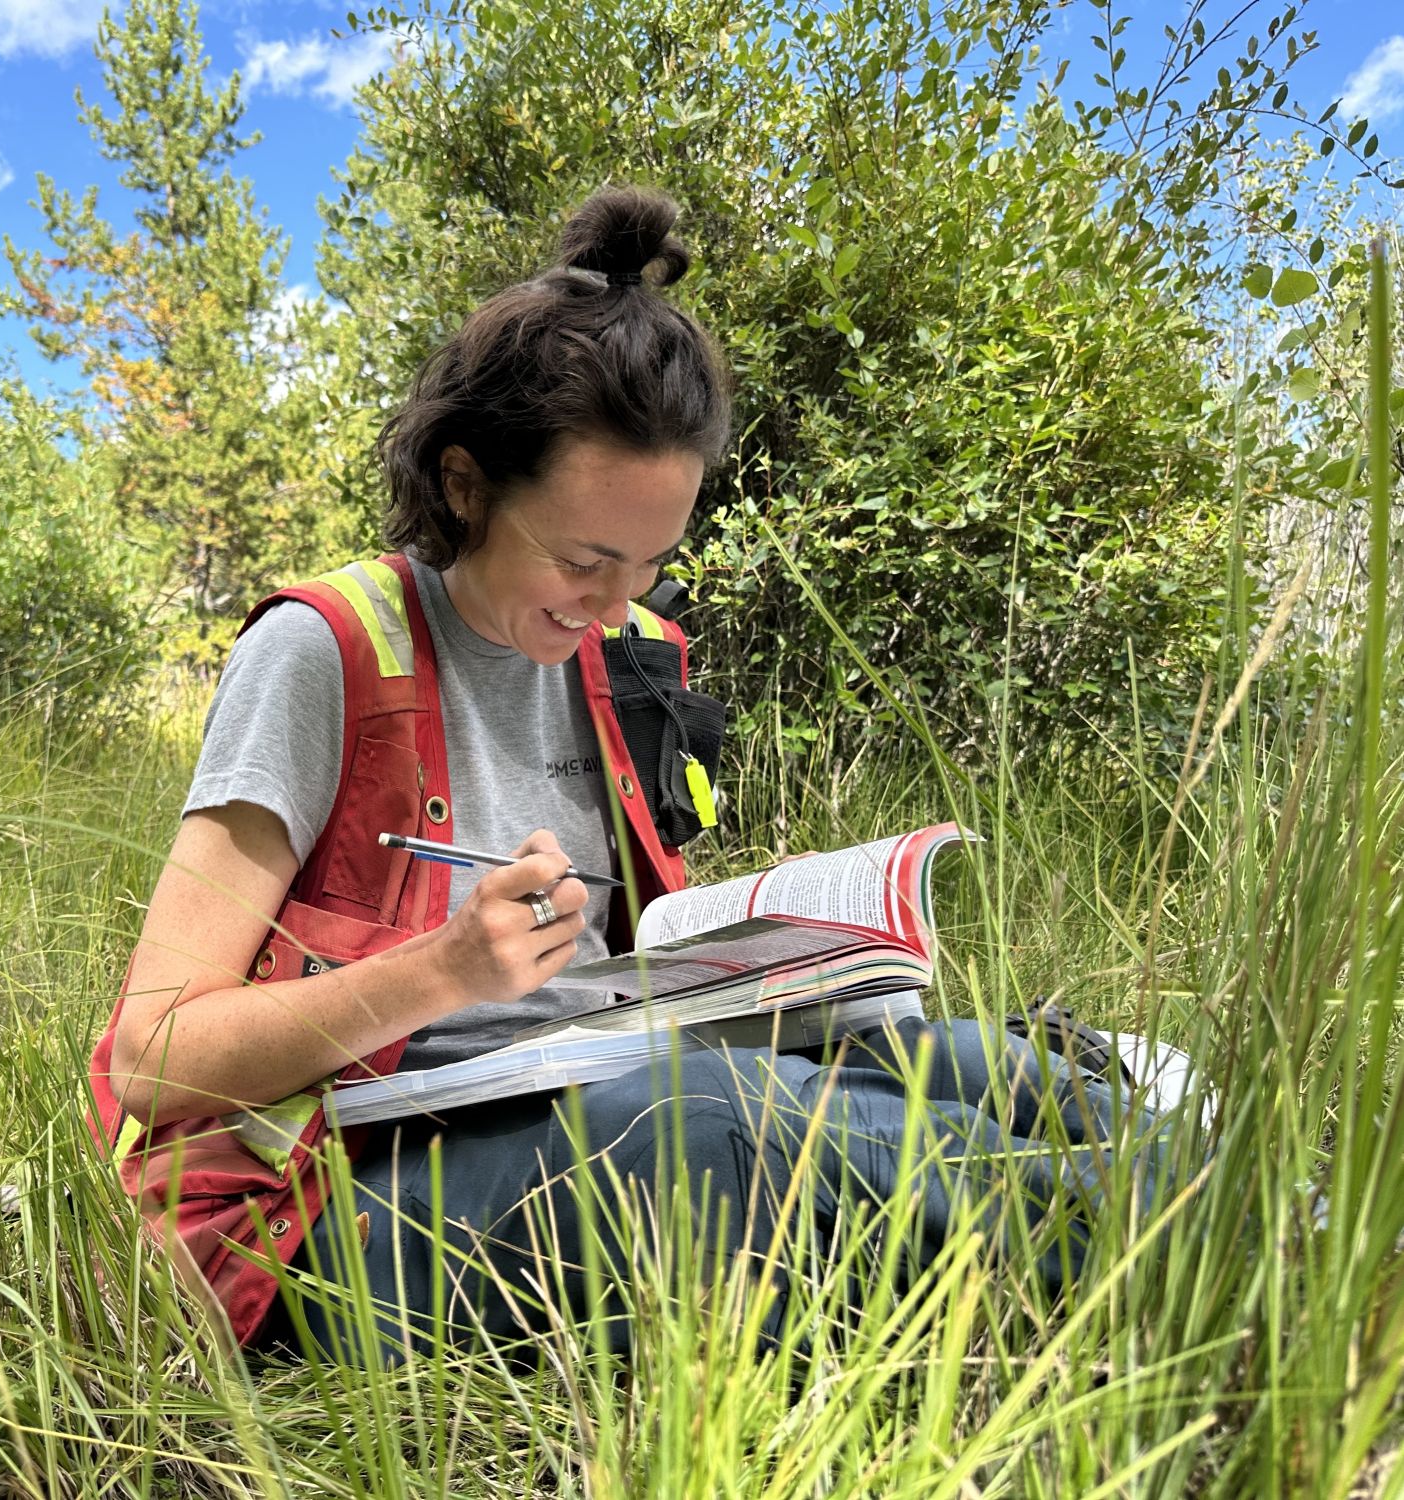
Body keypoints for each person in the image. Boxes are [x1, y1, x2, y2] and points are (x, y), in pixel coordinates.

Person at [88, 187, 1170, 1362]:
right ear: (464, 485)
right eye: (582, 559)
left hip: (583, 1090)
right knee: (714, 1129)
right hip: (318, 1209)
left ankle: (1244, 1187)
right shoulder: (325, 653)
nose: (614, 604)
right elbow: (153, 1060)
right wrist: (442, 971)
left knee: (954, 1056)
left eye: (651, 564)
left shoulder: (631, 661)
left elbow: (640, 963)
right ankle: (1194, 1242)